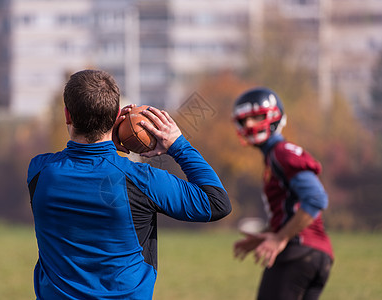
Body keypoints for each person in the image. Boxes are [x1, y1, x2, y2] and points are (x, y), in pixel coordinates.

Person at [27, 69, 232, 299]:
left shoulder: (38, 172)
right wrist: (178, 145)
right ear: (116, 116)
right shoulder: (141, 180)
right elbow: (216, 202)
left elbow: (88, 166)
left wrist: (106, 144)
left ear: (67, 115)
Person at [231, 87, 333, 300]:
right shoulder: (274, 156)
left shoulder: (281, 152)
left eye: (255, 117)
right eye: (244, 120)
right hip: (316, 254)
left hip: (298, 250)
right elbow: (292, 207)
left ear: (274, 116)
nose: (249, 125)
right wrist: (270, 232)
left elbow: (316, 198)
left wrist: (280, 237)